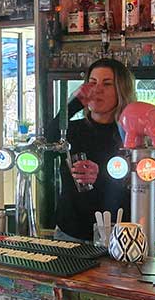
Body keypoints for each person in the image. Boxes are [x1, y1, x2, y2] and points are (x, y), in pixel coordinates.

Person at [54, 58, 136, 242]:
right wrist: (75, 103)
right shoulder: (71, 130)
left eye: (107, 84)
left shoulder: (130, 134)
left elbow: (137, 187)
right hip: (69, 234)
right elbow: (45, 139)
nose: (97, 90)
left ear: (121, 90)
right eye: (92, 83)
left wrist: (101, 176)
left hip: (117, 235)